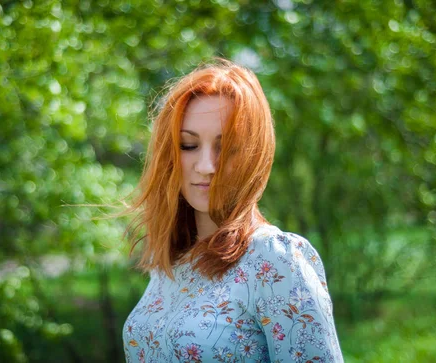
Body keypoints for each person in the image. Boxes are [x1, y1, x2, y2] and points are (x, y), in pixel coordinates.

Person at [122, 58, 343, 362]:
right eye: (189, 145)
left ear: (253, 154)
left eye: (226, 148)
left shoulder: (275, 261)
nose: (206, 166)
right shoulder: (171, 264)